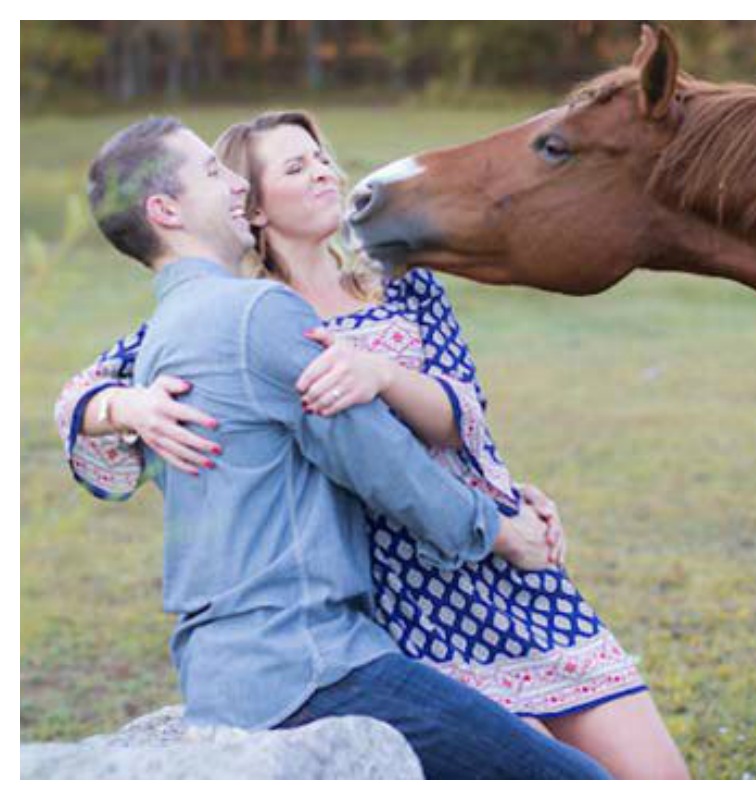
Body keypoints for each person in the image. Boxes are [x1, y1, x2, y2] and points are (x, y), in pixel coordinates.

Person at [56, 111, 688, 779]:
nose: (323, 171)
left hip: (490, 552)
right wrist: (124, 404)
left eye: (321, 157)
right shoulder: (249, 312)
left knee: (657, 776)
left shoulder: (400, 281)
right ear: (255, 204)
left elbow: (463, 412)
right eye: (294, 168)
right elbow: (85, 388)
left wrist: (383, 377)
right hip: (399, 587)